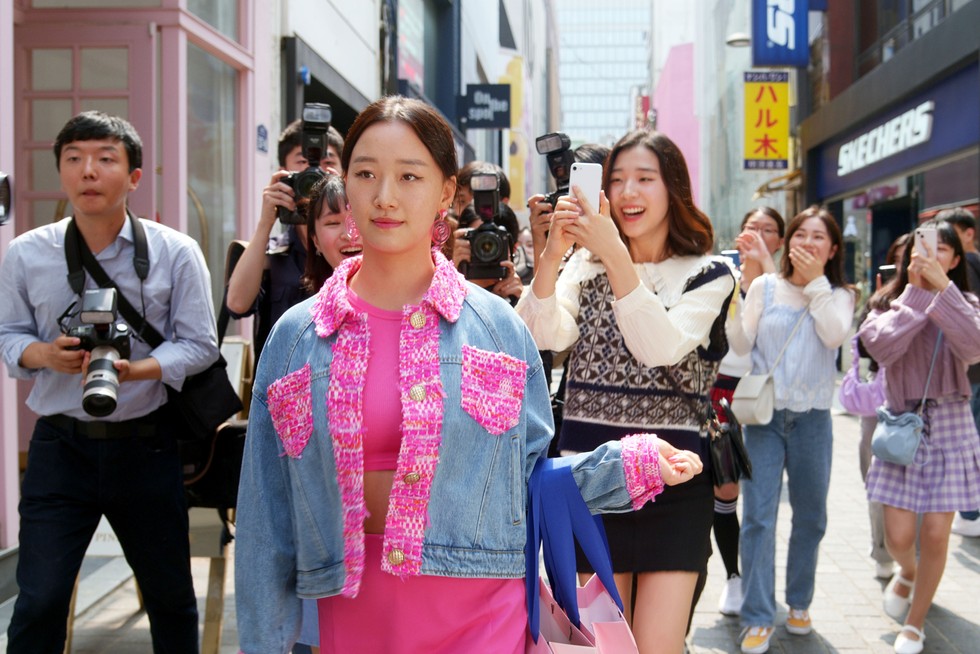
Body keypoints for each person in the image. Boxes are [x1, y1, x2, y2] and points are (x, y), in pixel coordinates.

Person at [233, 96, 704, 654]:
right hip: (348, 614)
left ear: (446, 193)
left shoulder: (499, 329)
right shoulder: (297, 338)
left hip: (482, 617)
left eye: (409, 176)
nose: (385, 197)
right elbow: (265, 518)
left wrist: (623, 467)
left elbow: (529, 484)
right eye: (366, 174)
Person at [0, 111, 219, 653]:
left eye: (105, 159)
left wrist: (137, 369)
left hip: (146, 444)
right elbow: (7, 334)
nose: (88, 171)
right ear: (60, 171)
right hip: (60, 448)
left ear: (134, 176)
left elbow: (200, 344)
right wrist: (45, 354)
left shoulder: (175, 252)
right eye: (73, 159)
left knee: (170, 597)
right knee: (39, 600)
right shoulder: (26, 253)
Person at [517, 128, 735, 654]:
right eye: (616, 180)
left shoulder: (709, 274)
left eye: (645, 178)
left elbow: (658, 346)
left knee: (658, 645)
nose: (628, 192)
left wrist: (613, 252)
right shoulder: (582, 266)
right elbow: (539, 336)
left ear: (674, 189)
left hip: (675, 481)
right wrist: (553, 255)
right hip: (591, 478)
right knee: (602, 647)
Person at [729, 207, 856, 654]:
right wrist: (738, 298)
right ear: (789, 242)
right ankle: (758, 616)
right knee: (758, 519)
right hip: (764, 419)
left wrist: (816, 283)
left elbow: (834, 335)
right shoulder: (766, 286)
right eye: (801, 234)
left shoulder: (840, 295)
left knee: (811, 516)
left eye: (818, 237)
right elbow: (740, 343)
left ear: (833, 249)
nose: (807, 243)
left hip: (813, 420)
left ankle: (799, 602)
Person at [860, 219, 980, 654]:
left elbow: (974, 347)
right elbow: (881, 348)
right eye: (923, 247)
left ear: (955, 259)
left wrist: (944, 291)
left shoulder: (967, 302)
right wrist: (915, 295)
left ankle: (915, 623)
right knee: (898, 538)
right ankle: (907, 572)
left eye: (942, 249)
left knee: (934, 534)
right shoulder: (886, 304)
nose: (931, 255)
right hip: (901, 424)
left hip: (951, 422)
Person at [711, 206, 785, 617]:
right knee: (724, 489)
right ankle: (734, 576)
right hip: (721, 393)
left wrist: (766, 272)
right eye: (751, 228)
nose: (758, 235)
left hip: (760, 397)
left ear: (780, 241)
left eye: (768, 229)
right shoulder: (722, 275)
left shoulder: (786, 285)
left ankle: (757, 581)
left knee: (757, 498)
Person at [225, 120, 350, 362]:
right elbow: (237, 304)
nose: (316, 174)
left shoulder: (353, 243)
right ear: (284, 174)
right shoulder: (271, 253)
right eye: (303, 163)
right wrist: (266, 222)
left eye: (327, 164)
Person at [855, 232, 911, 581]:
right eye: (900, 259)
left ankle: (912, 556)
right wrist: (878, 303)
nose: (906, 265)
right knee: (876, 480)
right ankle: (882, 550)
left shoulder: (937, 297)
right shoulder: (882, 299)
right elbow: (863, 347)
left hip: (918, 400)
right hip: (879, 397)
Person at [938, 207, 980, 538]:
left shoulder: (968, 266)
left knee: (970, 438)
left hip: (969, 369)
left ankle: (969, 511)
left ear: (968, 234)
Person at [451, 201, 524, 305]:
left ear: (514, 248)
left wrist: (520, 302)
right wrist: (450, 276)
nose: (486, 249)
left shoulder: (521, 298)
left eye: (494, 242)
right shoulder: (444, 293)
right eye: (478, 241)